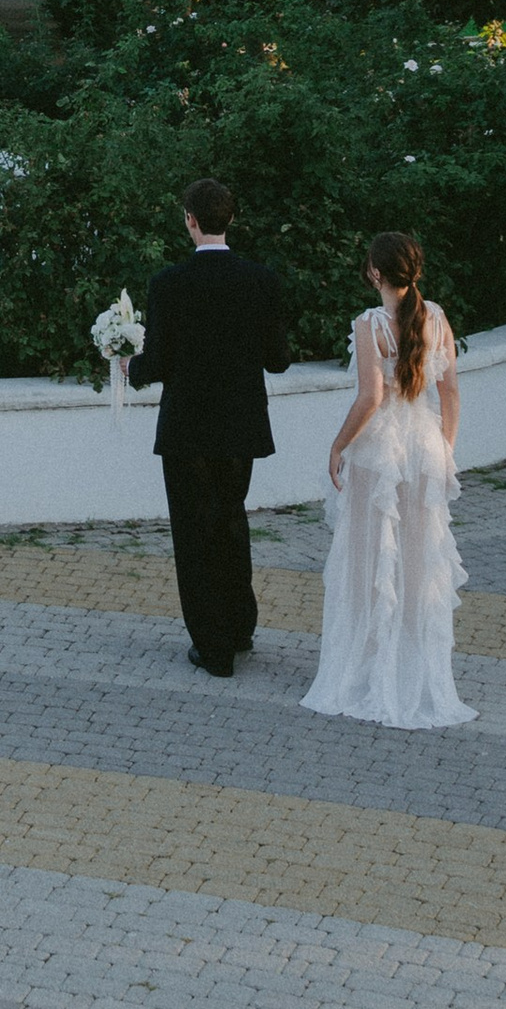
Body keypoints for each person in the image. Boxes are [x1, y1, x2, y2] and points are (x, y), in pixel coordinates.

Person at [302, 228, 475, 728]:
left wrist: (337, 446)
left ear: (375, 272)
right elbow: (451, 394)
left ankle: (365, 667)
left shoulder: (369, 324)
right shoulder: (437, 318)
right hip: (422, 447)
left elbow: (370, 398)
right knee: (418, 559)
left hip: (379, 452)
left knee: (370, 556)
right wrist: (445, 449)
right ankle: (413, 668)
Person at [126, 180, 290, 676]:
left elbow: (155, 362)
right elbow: (278, 361)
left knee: (194, 534)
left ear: (190, 221)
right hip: (241, 427)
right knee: (231, 520)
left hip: (188, 429)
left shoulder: (168, 284)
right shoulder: (263, 280)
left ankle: (214, 647)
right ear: (230, 221)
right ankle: (240, 626)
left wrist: (126, 365)